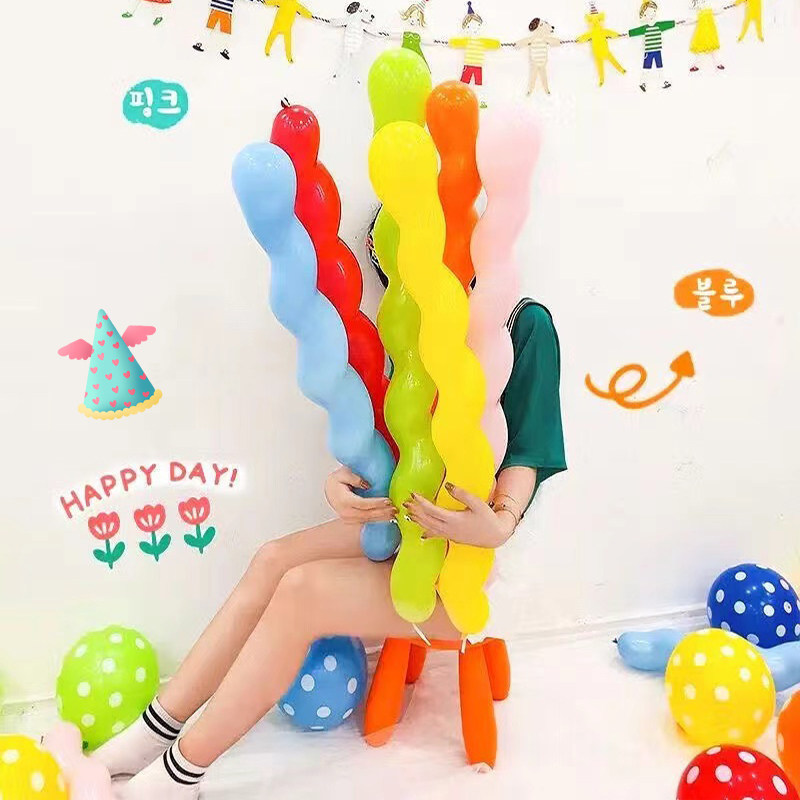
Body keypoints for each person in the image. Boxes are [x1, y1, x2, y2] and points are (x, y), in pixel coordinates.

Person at [92, 287, 566, 797]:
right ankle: (151, 734)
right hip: (409, 526)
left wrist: (500, 523)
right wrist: (346, 483)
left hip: (477, 569)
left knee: (303, 593)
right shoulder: (414, 309)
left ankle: (178, 776)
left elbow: (528, 452)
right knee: (273, 560)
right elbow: (402, 441)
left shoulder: (521, 324)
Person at [448, 2, 501, 103]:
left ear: (480, 26)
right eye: (470, 26)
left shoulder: (482, 41)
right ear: (466, 28)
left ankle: (480, 101)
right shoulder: (467, 40)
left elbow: (493, 43)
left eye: (477, 26)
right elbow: (456, 42)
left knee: (478, 84)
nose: (474, 29)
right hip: (468, 65)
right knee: (464, 83)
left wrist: (499, 44)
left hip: (478, 66)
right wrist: (450, 42)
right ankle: (461, 99)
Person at [628, 1, 675, 91]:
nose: (652, 14)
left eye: (654, 11)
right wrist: (625, 34)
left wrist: (678, 22)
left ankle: (662, 82)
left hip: (657, 51)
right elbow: (634, 32)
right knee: (646, 68)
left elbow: (670, 24)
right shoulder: (645, 28)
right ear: (644, 15)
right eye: (649, 12)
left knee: (660, 67)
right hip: (649, 52)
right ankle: (643, 83)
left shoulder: (659, 26)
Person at [515, 17, 562, 96]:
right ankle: (531, 90)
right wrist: (517, 44)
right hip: (536, 61)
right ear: (540, 25)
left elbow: (553, 41)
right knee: (534, 76)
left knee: (542, 76)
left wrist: (559, 42)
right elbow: (525, 41)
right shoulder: (535, 38)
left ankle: (545, 89)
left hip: (541, 61)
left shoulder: (544, 38)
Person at [689, 0, 725, 71]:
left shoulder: (710, 9)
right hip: (702, 33)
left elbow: (718, 11)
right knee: (701, 49)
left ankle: (718, 64)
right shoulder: (699, 12)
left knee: (713, 48)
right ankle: (696, 66)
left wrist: (723, 8)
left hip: (710, 32)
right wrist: (683, 22)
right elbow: (693, 19)